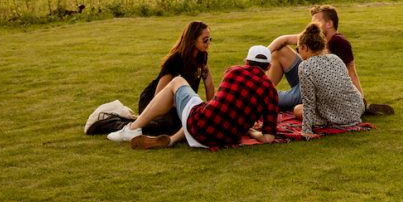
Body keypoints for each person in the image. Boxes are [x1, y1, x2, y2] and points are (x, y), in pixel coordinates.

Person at [109, 45, 279, 150]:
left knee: (177, 82)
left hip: (200, 125)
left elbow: (219, 103)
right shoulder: (271, 91)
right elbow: (268, 138)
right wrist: (253, 132)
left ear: (246, 61)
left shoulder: (233, 71)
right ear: (269, 66)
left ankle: (131, 129)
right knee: (207, 112)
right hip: (225, 139)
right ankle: (172, 140)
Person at [137, 21, 217, 137]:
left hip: (177, 104)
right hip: (153, 101)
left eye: (210, 39)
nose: (208, 43)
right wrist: (183, 106)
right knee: (167, 126)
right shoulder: (175, 61)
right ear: (193, 40)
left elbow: (209, 85)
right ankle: (132, 126)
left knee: (190, 124)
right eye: (205, 40)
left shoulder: (201, 56)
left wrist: (211, 112)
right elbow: (158, 94)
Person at [292, 22, 365, 139]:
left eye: (298, 48)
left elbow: (309, 102)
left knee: (297, 109)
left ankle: (330, 120)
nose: (298, 52)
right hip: (357, 109)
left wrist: (306, 131)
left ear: (305, 47)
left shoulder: (305, 66)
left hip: (336, 118)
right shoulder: (335, 58)